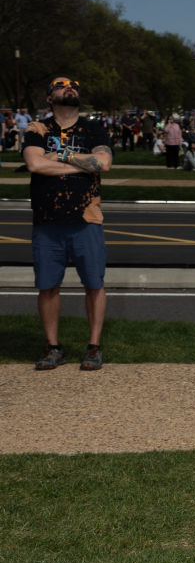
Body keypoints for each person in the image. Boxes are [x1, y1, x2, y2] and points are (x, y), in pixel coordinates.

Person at [21, 77, 113, 371]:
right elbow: (35, 164)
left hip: (86, 217)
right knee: (48, 286)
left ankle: (94, 346)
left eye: (74, 85)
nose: (70, 87)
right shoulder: (38, 129)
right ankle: (53, 347)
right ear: (50, 97)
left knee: (94, 284)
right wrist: (81, 163)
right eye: (61, 86)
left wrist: (60, 154)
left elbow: (104, 164)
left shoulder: (94, 128)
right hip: (48, 219)